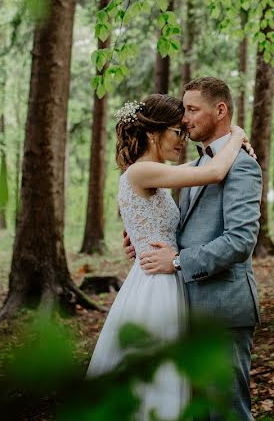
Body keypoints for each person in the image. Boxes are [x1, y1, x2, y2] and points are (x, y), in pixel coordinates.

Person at [86, 92, 251, 421]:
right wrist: (239, 135)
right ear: (152, 133)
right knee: (156, 386)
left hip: (171, 280)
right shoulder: (141, 172)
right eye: (178, 132)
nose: (183, 140)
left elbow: (206, 164)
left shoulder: (155, 173)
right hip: (155, 289)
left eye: (186, 133)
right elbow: (215, 171)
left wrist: (139, 241)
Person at [128, 77, 262, 421]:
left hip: (223, 309)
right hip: (186, 305)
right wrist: (143, 239)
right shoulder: (201, 165)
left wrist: (175, 259)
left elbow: (241, 240)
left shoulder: (241, 165)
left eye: (191, 109)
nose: (184, 120)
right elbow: (187, 227)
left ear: (220, 110)